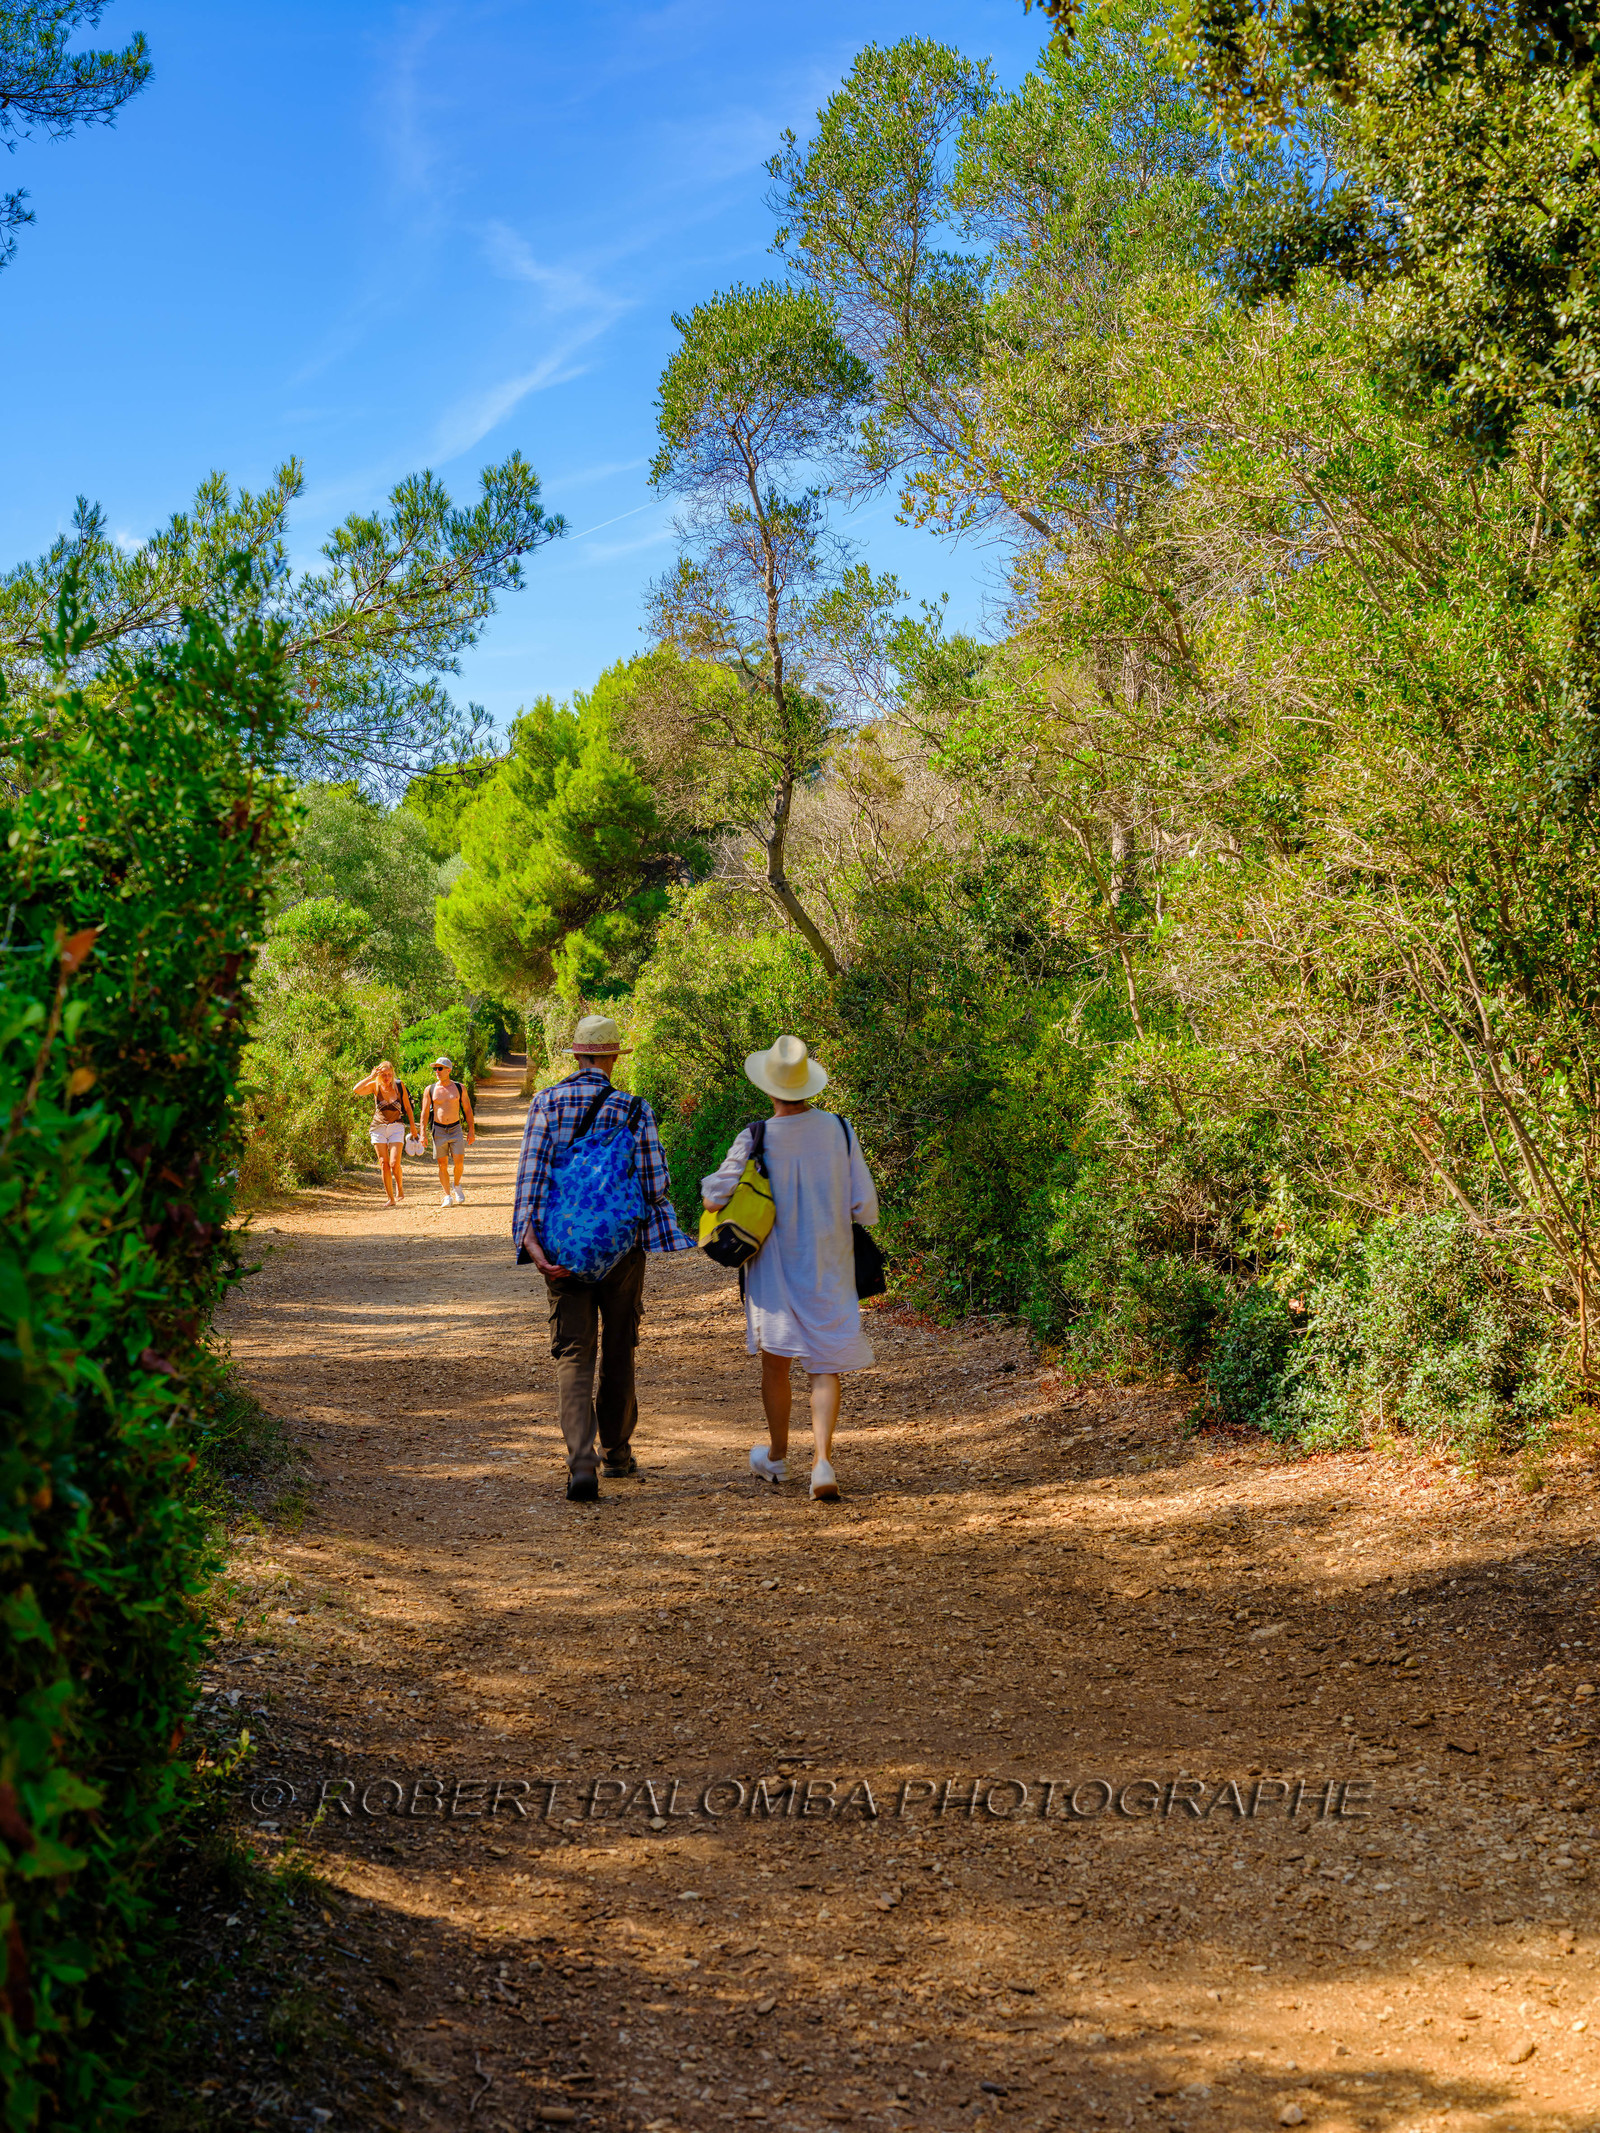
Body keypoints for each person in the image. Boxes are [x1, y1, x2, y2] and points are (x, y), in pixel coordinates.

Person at [511, 1014, 694, 1501]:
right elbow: (656, 1185)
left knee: (573, 1351)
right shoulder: (634, 1109)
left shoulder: (546, 1102)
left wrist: (530, 1245)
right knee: (618, 1346)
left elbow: (531, 1180)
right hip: (621, 1250)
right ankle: (616, 1452)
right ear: (613, 1057)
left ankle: (580, 1464)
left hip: (562, 1248)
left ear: (576, 1055)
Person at [701, 1034, 878, 1502]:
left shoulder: (756, 1136)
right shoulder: (841, 1130)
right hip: (830, 1262)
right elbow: (865, 1206)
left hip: (773, 1266)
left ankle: (777, 1457)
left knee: (776, 1365)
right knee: (825, 1364)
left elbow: (714, 1196)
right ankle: (822, 1462)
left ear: (769, 1087)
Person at [351, 1060, 416, 1207]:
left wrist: (413, 1127)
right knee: (383, 1163)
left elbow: (407, 1106)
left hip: (396, 1126)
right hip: (378, 1127)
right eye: (384, 1075)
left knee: (394, 1163)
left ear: (393, 1074)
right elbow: (356, 1089)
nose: (387, 1077)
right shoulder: (375, 1086)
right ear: (379, 1074)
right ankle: (390, 1198)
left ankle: (399, 1188)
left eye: (389, 1074)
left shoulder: (399, 1086)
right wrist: (370, 1076)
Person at [420, 1055, 475, 1209]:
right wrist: (422, 1133)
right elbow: (424, 1112)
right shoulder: (430, 1090)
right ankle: (447, 1196)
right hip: (438, 1130)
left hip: (455, 1128)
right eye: (435, 1069)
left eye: (440, 1068)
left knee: (459, 1162)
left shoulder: (459, 1088)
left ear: (448, 1070)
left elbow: (468, 1109)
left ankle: (456, 1185)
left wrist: (471, 1130)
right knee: (442, 1164)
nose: (436, 1071)